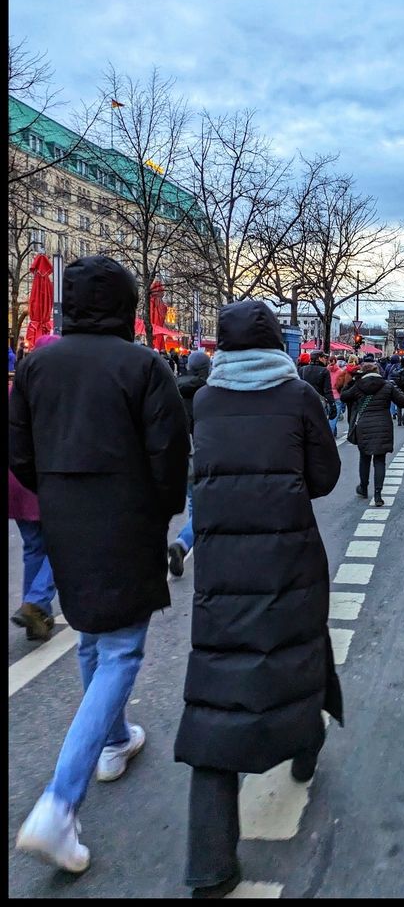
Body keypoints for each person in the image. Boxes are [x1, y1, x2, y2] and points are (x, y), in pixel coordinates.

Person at [11, 255, 190, 874]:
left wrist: (57, 491)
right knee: (121, 651)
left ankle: (114, 741)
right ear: (125, 304)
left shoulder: (35, 363)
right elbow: (171, 454)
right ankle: (60, 805)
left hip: (64, 515)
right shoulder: (143, 364)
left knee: (93, 634)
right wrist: (163, 511)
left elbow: (20, 450)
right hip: (126, 515)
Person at [174, 300, 343, 897]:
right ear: (278, 344)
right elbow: (325, 478)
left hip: (222, 568)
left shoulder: (206, 401)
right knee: (297, 645)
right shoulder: (297, 397)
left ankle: (210, 861)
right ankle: (305, 744)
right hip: (289, 557)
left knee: (217, 689)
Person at [8, 334, 61, 642]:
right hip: (37, 478)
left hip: (14, 482)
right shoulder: (52, 393)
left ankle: (36, 616)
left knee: (34, 547)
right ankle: (37, 601)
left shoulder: (17, 389)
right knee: (64, 544)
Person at [167, 351, 212, 577]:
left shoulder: (172, 388)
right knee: (206, 509)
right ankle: (183, 543)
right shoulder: (208, 393)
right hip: (203, 455)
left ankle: (187, 543)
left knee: (196, 506)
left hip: (180, 456)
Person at [340, 362, 404, 506]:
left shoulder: (358, 385)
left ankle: (363, 488)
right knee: (379, 460)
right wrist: (396, 387)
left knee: (364, 458)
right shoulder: (387, 385)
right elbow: (402, 402)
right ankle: (378, 495)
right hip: (383, 426)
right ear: (378, 371)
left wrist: (350, 382)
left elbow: (344, 397)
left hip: (364, 425)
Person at [298, 351, 337, 428]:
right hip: (318, 404)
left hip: (304, 403)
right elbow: (327, 391)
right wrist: (332, 406)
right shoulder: (324, 371)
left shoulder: (302, 369)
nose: (325, 359)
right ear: (319, 358)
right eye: (324, 357)